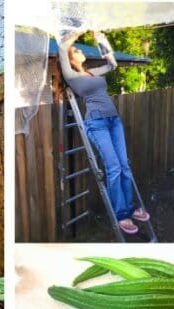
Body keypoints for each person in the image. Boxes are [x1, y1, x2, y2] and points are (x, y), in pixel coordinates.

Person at [58, 31, 151, 236]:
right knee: (114, 167)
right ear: (71, 59)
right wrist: (80, 30)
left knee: (125, 166)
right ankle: (121, 215)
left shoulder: (92, 73)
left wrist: (100, 39)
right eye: (77, 50)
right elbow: (63, 47)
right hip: (96, 123)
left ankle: (129, 207)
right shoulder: (71, 76)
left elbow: (112, 65)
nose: (80, 50)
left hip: (114, 120)